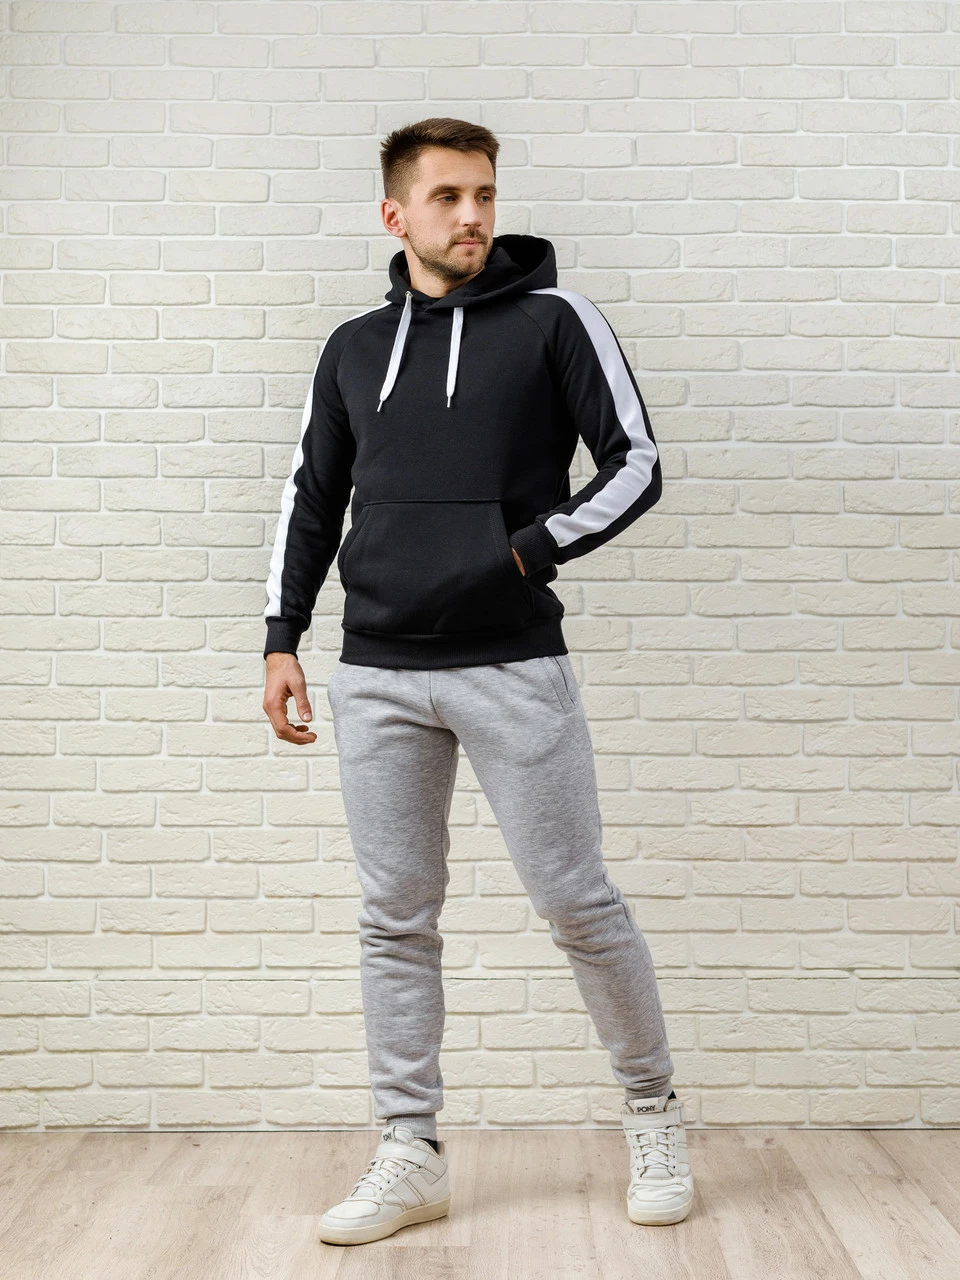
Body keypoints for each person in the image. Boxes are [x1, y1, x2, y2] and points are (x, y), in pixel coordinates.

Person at [261, 116, 694, 1246]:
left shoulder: (555, 320)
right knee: (394, 918)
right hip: (378, 672)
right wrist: (281, 634)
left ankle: (653, 1112)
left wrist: (520, 554)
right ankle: (411, 1148)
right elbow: (314, 494)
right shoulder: (354, 346)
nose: (473, 216)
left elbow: (638, 462)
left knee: (576, 902)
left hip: (513, 663)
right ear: (395, 213)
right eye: (448, 196)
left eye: (485, 194)